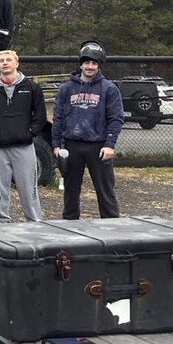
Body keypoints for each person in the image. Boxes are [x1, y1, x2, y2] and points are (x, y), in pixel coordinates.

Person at [53, 41, 124, 220]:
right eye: (87, 63)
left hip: (98, 146)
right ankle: (70, 225)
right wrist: (56, 144)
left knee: (105, 190)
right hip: (72, 145)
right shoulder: (66, 89)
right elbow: (58, 118)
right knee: (70, 189)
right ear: (81, 64)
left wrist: (110, 145)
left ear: (99, 66)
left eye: (94, 63)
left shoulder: (109, 89)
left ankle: (112, 227)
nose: (90, 67)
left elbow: (116, 118)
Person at [0, 50, 46, 223]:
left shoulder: (31, 88)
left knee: (28, 188)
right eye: (1, 60)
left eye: (9, 60)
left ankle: (35, 220)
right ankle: (1, 221)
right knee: (0, 188)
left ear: (17, 63)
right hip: (0, 147)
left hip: (24, 147)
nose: (5, 63)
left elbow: (40, 116)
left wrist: (29, 134)